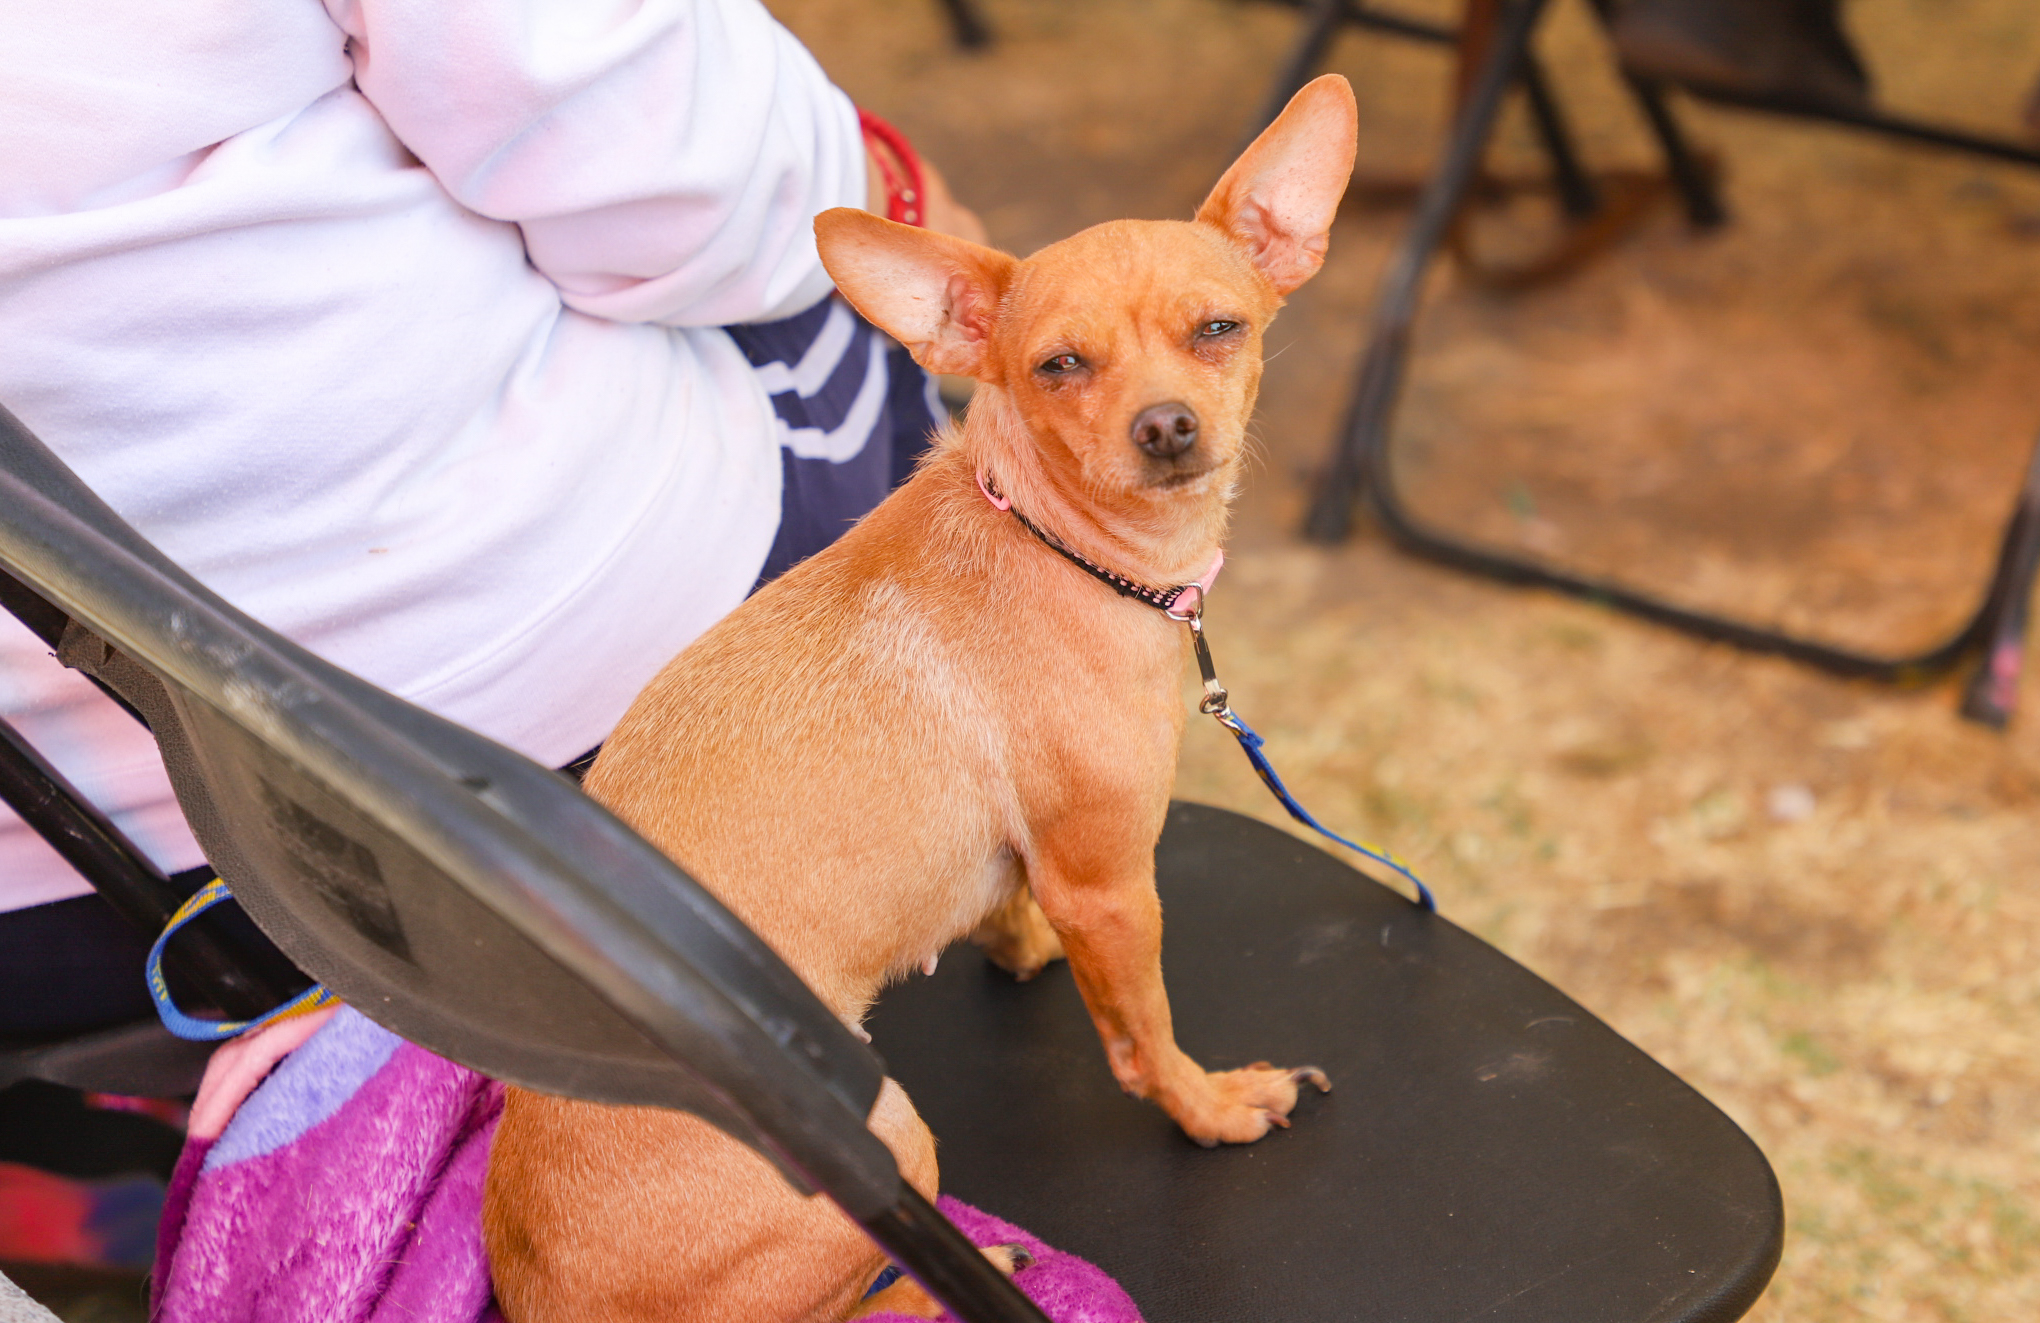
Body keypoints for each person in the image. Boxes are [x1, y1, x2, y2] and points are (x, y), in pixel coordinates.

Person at [0, 0, 983, 1041]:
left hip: (64, 910)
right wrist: (888, 180)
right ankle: (955, 898)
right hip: (533, 781)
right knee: (868, 265)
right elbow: (693, 178)